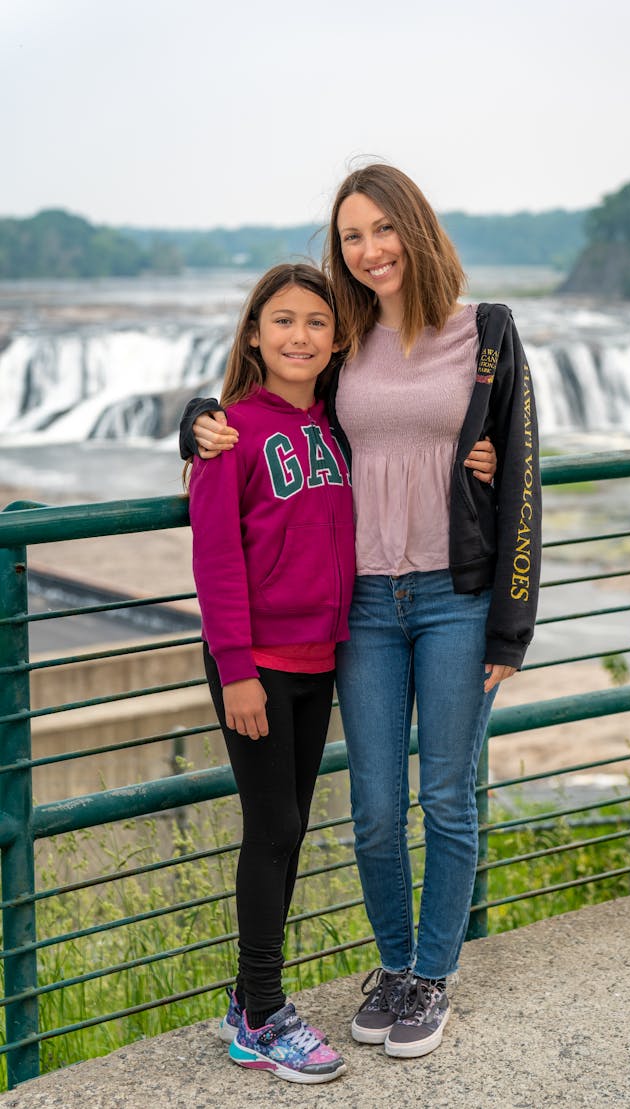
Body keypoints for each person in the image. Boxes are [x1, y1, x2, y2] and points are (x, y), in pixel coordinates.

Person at [181, 164, 542, 1061]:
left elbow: (523, 479)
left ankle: (432, 974)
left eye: (383, 227)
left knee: (446, 796)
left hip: (458, 599)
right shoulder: (342, 342)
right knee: (375, 807)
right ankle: (391, 962)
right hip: (368, 605)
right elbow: (267, 399)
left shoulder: (485, 335)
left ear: (414, 228)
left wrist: (511, 622)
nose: (369, 248)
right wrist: (194, 416)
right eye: (351, 235)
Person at [188, 262, 353, 1084]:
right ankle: (261, 1016)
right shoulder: (230, 432)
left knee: (288, 827)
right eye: (282, 321)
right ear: (255, 333)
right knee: (276, 827)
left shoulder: (336, 428)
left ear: (336, 338)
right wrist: (236, 669)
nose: (300, 336)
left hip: (318, 659)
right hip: (253, 667)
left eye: (316, 322)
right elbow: (215, 559)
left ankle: (248, 995)